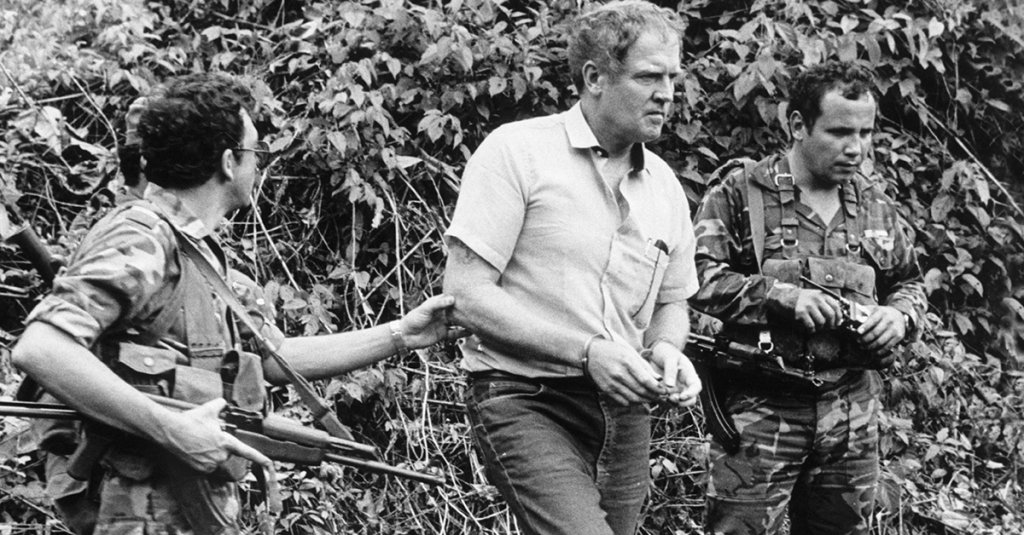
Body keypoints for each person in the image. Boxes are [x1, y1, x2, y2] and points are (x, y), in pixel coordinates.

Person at [12, 72, 458, 535]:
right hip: (132, 512)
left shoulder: (198, 253)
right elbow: (42, 348)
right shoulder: (142, 236)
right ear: (229, 162)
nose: (258, 165)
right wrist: (171, 429)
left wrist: (402, 334)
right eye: (255, 151)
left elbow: (275, 357)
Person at [442, 2, 702, 534]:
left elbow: (672, 302)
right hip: (525, 398)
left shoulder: (665, 186)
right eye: (649, 77)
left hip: (626, 411)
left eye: (673, 78)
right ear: (594, 78)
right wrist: (588, 352)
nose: (667, 93)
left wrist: (667, 349)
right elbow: (465, 295)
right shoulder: (518, 152)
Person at [691, 60, 927, 534]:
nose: (855, 148)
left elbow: (910, 283)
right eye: (839, 132)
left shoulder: (875, 205)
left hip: (851, 413)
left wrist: (899, 317)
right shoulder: (742, 193)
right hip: (761, 411)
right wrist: (778, 296)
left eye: (865, 132)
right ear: (798, 125)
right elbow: (695, 279)